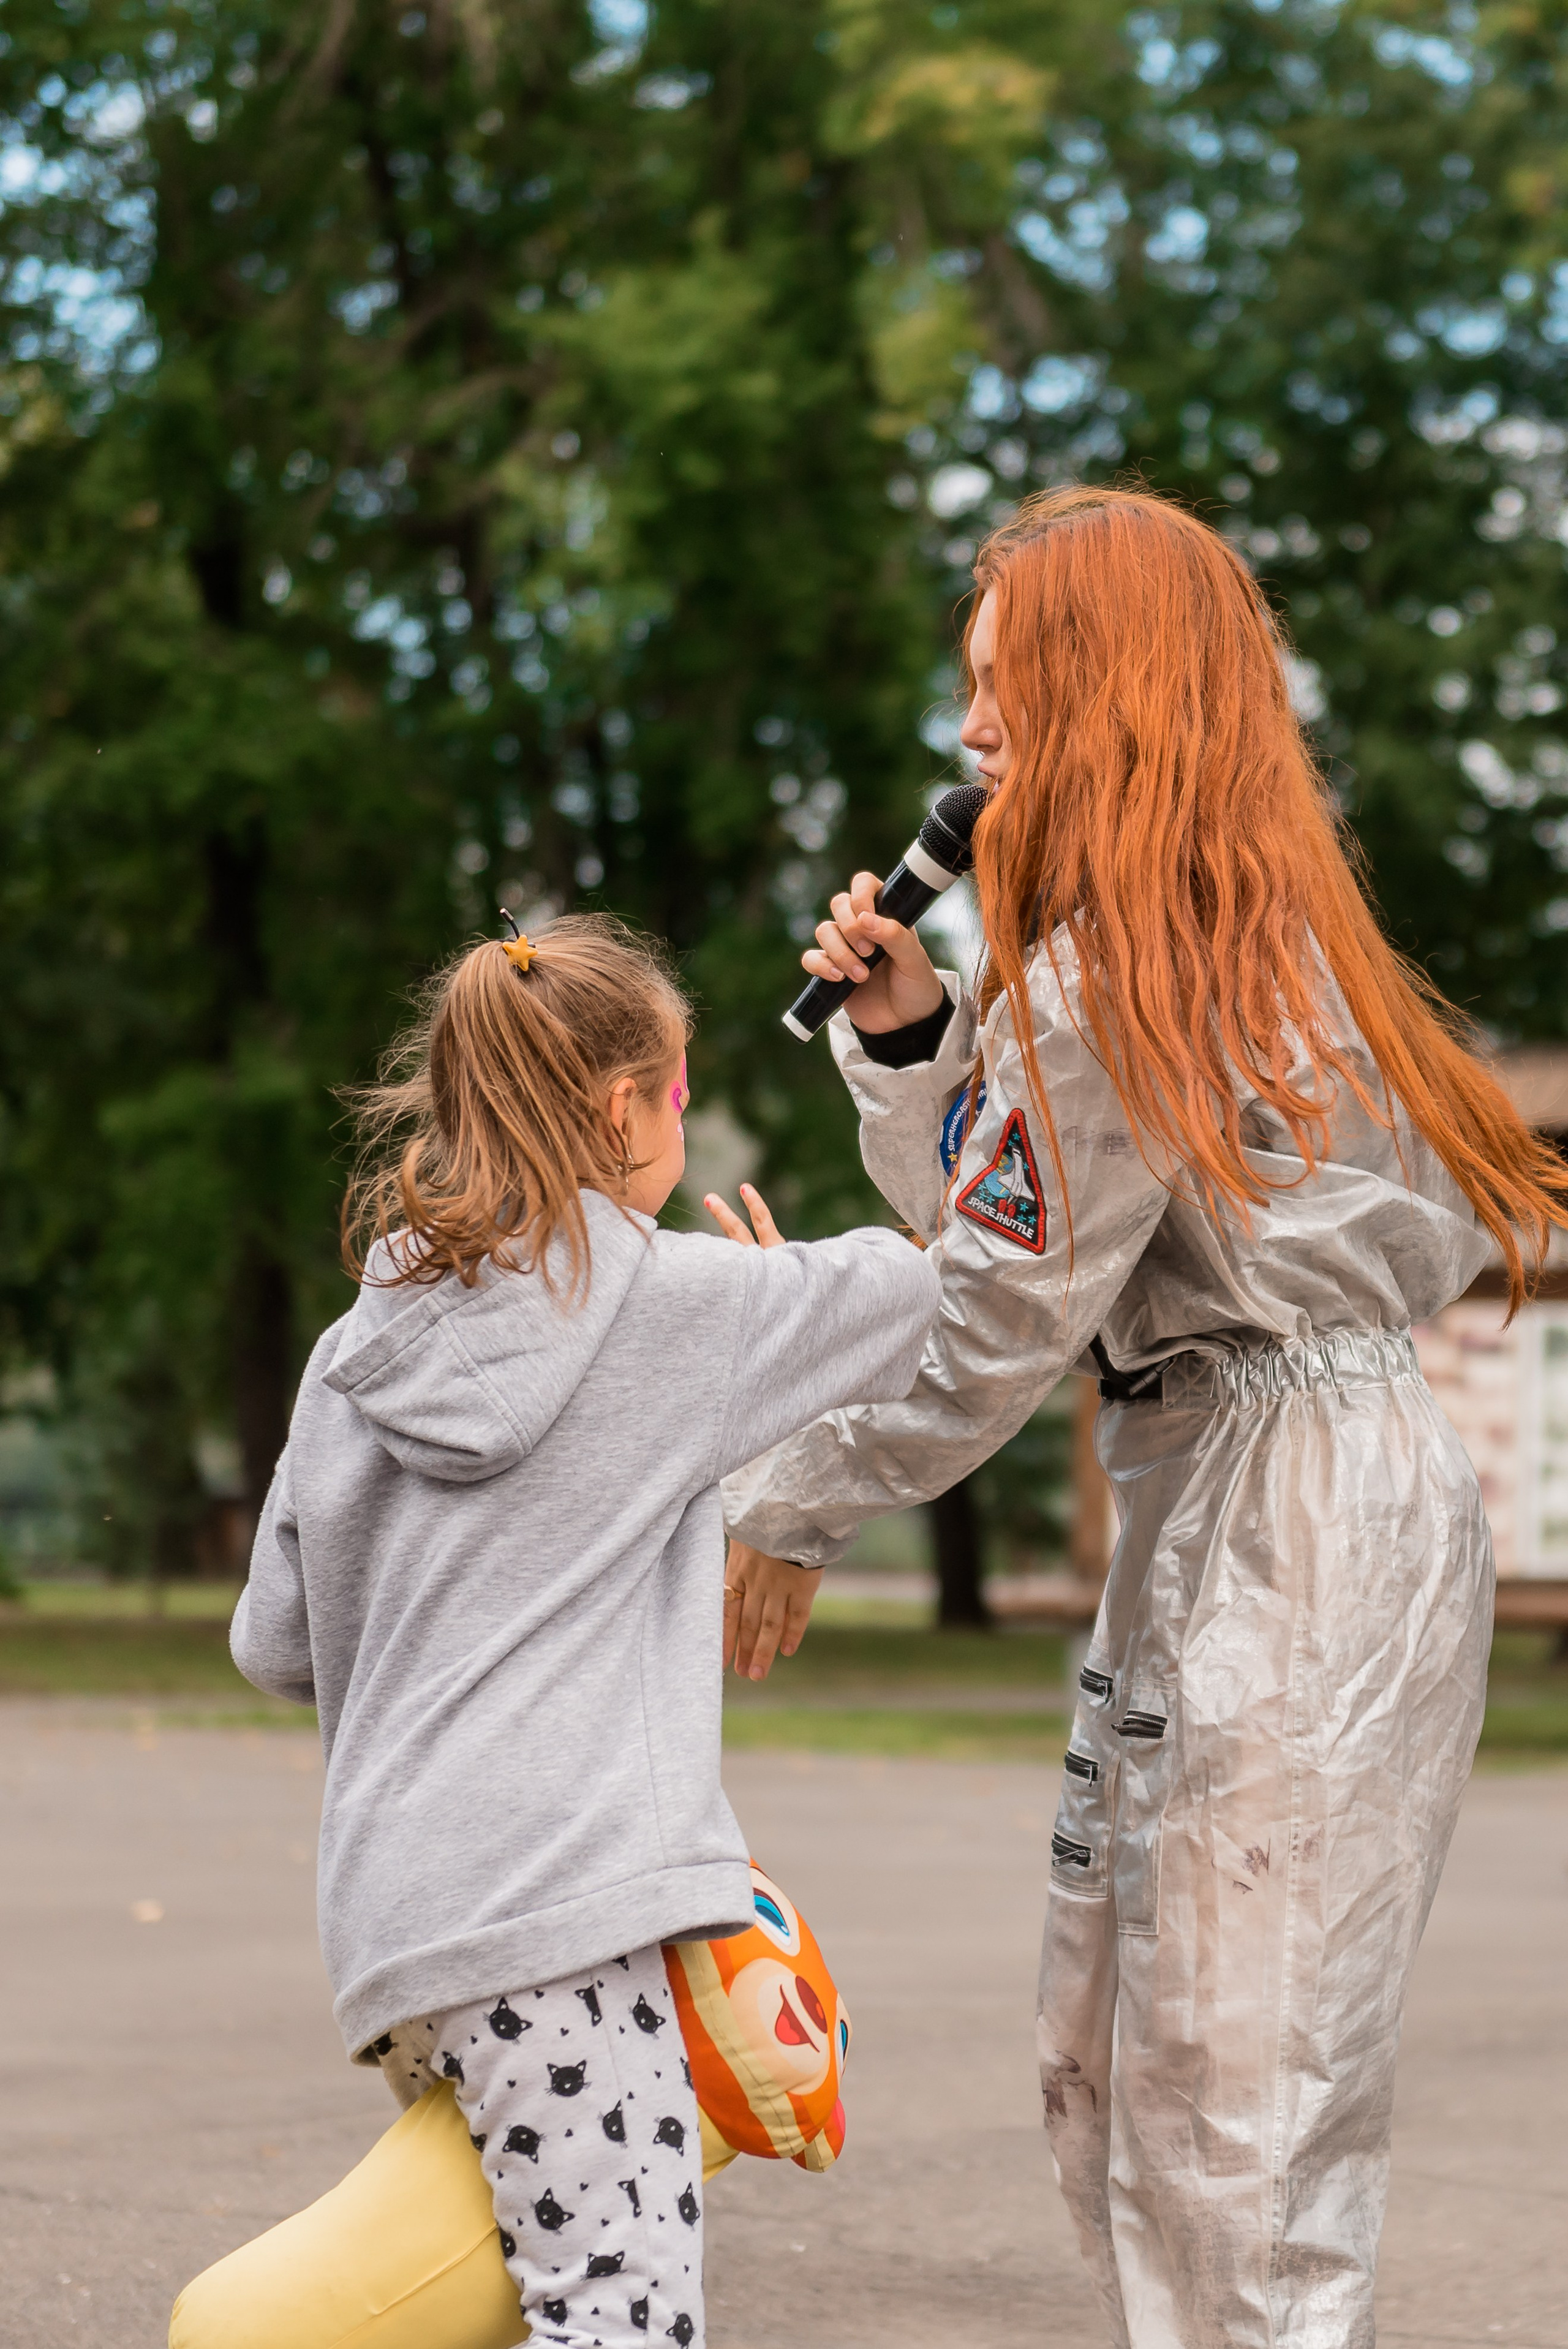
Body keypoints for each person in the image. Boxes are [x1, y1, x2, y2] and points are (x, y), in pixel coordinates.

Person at [722, 486, 1568, 2349]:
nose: (970, 737)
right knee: (1132, 2040)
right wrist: (914, 1039)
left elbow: (993, 1323)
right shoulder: (1197, 956)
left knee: (1227, 2085)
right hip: (1251, 1489)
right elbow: (1029, 1244)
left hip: (1289, 1516)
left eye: (1005, 684)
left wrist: (787, 1500)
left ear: (1107, 694)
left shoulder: (1121, 987)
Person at [231, 914, 938, 2349]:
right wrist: (772, 1295)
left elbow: (275, 1643)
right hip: (563, 1912)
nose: (677, 1117)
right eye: (677, 1093)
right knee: (616, 2308)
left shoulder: (357, 1342)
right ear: (624, 1108)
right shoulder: (674, 1302)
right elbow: (947, 1288)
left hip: (400, 1930)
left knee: (485, 2293)